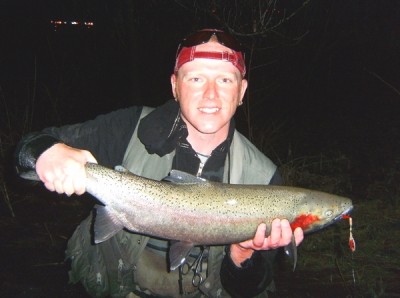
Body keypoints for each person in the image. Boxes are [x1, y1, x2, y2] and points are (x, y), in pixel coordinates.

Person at [15, 29, 303, 297]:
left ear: (241, 91)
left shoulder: (264, 178)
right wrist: (49, 152)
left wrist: (241, 255)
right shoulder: (128, 129)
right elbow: (24, 157)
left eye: (225, 80)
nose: (211, 94)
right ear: (175, 85)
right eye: (196, 78)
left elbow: (248, 289)